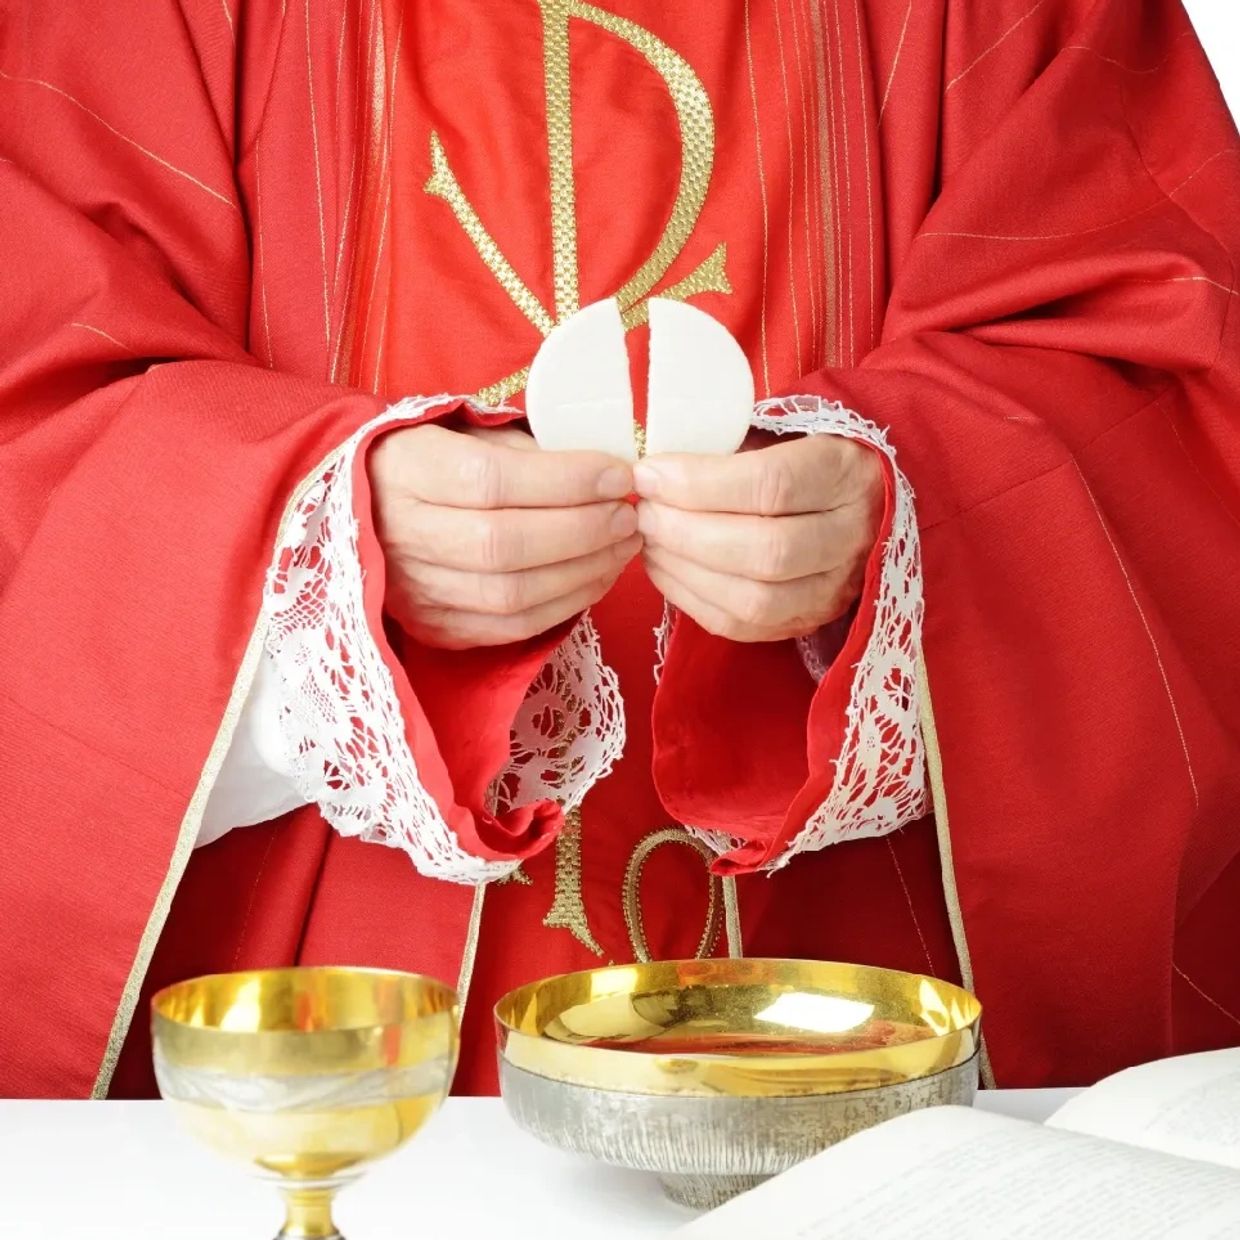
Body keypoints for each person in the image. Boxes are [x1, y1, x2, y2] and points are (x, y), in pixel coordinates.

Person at [2, 0, 1238, 1100]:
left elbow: (1160, 369)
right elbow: (33, 373)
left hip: (864, 1000)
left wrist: (899, 531)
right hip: (322, 1024)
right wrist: (320, 552)